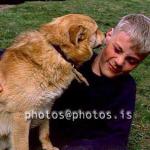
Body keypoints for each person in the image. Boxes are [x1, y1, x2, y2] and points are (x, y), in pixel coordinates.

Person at [48, 14, 150, 150]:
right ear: (108, 36)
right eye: (117, 49)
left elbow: (117, 140)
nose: (119, 62)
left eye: (131, 60)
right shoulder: (74, 63)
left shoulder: (126, 88)